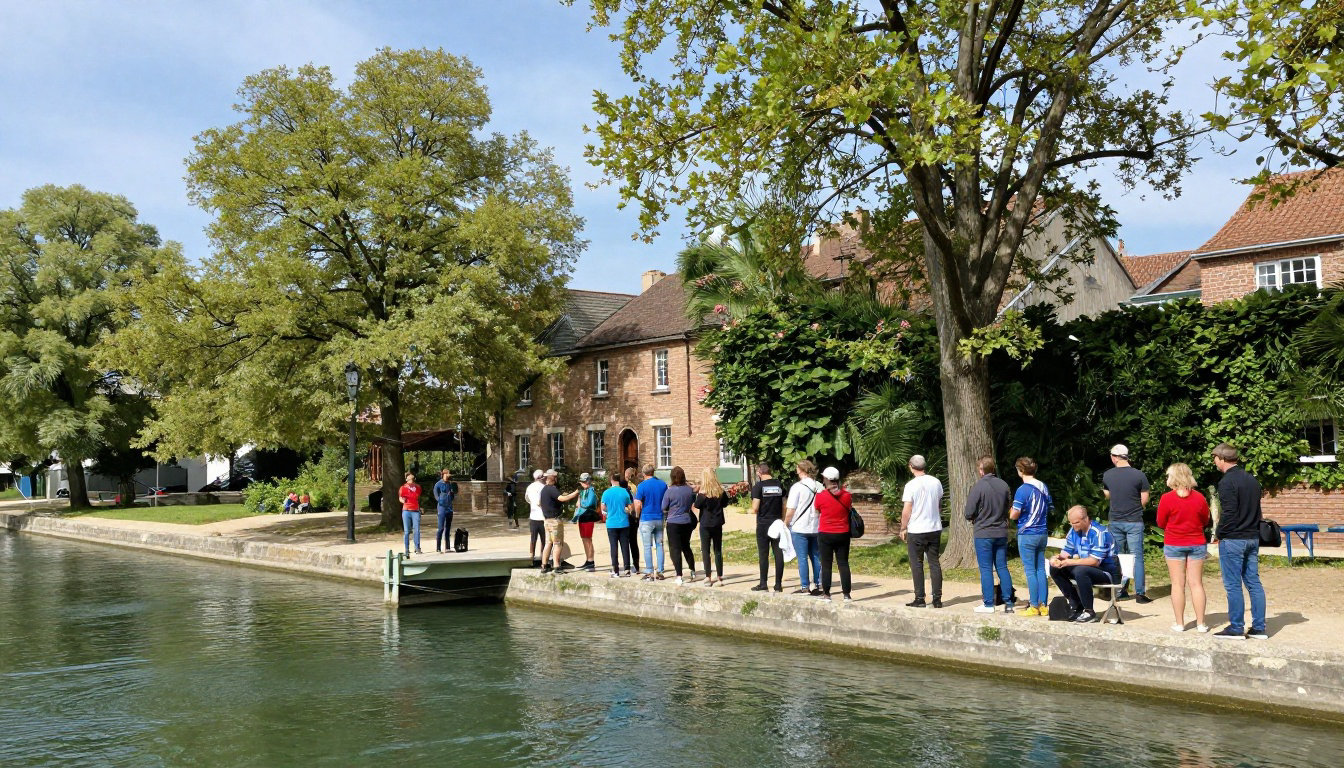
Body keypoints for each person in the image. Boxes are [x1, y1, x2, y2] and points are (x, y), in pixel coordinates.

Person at [1212, 443, 1268, 640]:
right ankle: (1259, 627)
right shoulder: (1252, 480)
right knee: (1253, 581)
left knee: (1233, 584)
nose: (1214, 462)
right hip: (1252, 536)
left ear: (1221, 458)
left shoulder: (1227, 482)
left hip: (1234, 538)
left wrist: (1219, 533)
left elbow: (1229, 513)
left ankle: (1236, 627)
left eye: (1215, 458)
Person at [1157, 462, 1211, 633]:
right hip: (1196, 542)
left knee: (1177, 584)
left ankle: (1180, 623)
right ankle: (1201, 624)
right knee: (1196, 584)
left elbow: (1160, 522)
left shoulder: (1167, 498)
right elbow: (1205, 520)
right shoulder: (1200, 497)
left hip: (1174, 543)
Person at [1048, 505, 1121, 623]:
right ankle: (1076, 606)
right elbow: (1067, 552)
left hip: (1106, 572)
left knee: (1080, 571)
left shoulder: (1100, 532)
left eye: (1076, 523)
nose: (1072, 526)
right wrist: (1057, 559)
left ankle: (1089, 611)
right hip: (1086, 569)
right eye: (1071, 523)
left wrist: (1070, 561)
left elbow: (1094, 561)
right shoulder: (1074, 530)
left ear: (1086, 519)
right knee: (1056, 569)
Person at [1102, 444, 1152, 603]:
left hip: (1115, 520)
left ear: (1114, 457)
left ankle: (1120, 591)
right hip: (1134, 521)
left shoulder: (1107, 475)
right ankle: (1140, 593)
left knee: (1118, 556)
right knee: (1137, 557)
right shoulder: (1139, 475)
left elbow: (1107, 496)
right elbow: (1144, 500)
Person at [964, 456, 1014, 613]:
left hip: (984, 532)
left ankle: (988, 604)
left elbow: (968, 512)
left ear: (981, 470)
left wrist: (975, 516)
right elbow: (1009, 506)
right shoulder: (1004, 485)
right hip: (1001, 532)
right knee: (1002, 567)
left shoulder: (978, 487)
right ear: (993, 469)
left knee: (986, 569)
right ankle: (1009, 602)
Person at [899, 454, 944, 608]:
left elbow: (907, 509)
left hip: (917, 529)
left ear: (911, 466)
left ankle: (920, 598)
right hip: (934, 527)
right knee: (934, 563)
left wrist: (903, 527)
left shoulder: (911, 485)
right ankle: (937, 598)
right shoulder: (936, 482)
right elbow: (939, 504)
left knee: (917, 563)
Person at [1010, 457, 1053, 616]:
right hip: (1042, 533)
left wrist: (1011, 513)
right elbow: (1050, 506)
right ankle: (1044, 605)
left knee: (1030, 570)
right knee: (1040, 569)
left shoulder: (1022, 489)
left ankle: (1034, 605)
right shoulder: (1043, 486)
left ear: (1020, 471)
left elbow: (1015, 514)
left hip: (1027, 533)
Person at [814, 466, 853, 602]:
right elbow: (847, 508)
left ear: (825, 479)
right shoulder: (847, 496)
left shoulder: (820, 496)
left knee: (826, 564)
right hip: (843, 532)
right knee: (843, 563)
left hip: (825, 532)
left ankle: (826, 594)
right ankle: (846, 594)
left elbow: (817, 510)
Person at [785, 460, 823, 596]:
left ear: (801, 470)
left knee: (802, 558)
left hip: (800, 527)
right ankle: (818, 584)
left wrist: (786, 523)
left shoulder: (797, 487)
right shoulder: (819, 486)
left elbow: (791, 510)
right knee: (816, 556)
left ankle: (805, 586)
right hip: (816, 526)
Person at [749, 463, 786, 592]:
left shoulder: (758, 487)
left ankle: (763, 583)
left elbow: (755, 508)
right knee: (778, 553)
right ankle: (778, 584)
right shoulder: (779, 485)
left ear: (759, 473)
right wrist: (782, 519)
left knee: (763, 554)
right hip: (777, 522)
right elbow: (784, 504)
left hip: (763, 524)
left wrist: (752, 510)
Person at [662, 466, 698, 584]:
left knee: (675, 549)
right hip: (687, 521)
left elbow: (664, 507)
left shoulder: (669, 491)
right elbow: (693, 501)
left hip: (673, 522)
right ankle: (692, 570)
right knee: (686, 546)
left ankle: (679, 575)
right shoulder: (689, 490)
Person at [695, 468, 729, 586]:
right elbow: (725, 503)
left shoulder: (703, 493)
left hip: (705, 523)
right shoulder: (720, 491)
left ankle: (708, 576)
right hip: (717, 523)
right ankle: (719, 577)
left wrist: (700, 494)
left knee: (705, 550)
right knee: (717, 550)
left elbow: (697, 505)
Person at [634, 464, 668, 580]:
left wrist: (637, 515)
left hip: (646, 517)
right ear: (653, 472)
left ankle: (649, 570)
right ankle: (660, 570)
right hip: (659, 516)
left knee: (647, 546)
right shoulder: (663, 484)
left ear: (644, 473)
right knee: (659, 545)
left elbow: (637, 503)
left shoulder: (642, 486)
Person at [562, 473, 600, 572]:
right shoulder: (583, 491)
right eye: (581, 482)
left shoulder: (591, 491)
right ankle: (588, 560)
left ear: (587, 482)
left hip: (588, 516)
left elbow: (589, 503)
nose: (581, 484)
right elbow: (578, 503)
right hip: (582, 516)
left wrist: (580, 503)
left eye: (583, 482)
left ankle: (591, 561)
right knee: (584, 539)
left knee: (588, 539)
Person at [602, 474, 635, 577]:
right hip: (624, 522)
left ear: (611, 480)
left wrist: (609, 510)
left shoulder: (606, 492)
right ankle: (627, 569)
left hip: (611, 523)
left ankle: (615, 570)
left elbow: (603, 508)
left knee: (613, 546)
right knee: (625, 546)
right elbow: (630, 507)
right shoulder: (624, 492)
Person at [538, 469, 571, 574]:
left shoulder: (543, 490)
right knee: (558, 543)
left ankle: (544, 565)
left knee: (548, 543)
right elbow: (561, 498)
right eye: (555, 477)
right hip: (555, 521)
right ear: (552, 478)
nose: (557, 479)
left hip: (546, 521)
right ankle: (556, 566)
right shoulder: (552, 489)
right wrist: (574, 494)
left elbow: (539, 503)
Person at [433, 469, 458, 554]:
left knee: (448, 528)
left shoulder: (450, 484)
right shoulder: (438, 484)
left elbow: (453, 495)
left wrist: (451, 495)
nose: (449, 475)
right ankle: (438, 547)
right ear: (444, 474)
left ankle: (447, 547)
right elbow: (436, 495)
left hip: (449, 507)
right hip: (442, 507)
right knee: (441, 528)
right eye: (448, 474)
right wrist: (441, 501)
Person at [398, 472, 422, 557]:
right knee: (407, 531)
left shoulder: (418, 487)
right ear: (407, 479)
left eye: (413, 478)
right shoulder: (403, 488)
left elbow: (418, 497)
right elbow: (400, 497)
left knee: (417, 530)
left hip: (415, 510)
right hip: (406, 511)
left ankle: (417, 547)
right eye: (410, 478)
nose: (412, 479)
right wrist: (402, 500)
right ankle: (407, 549)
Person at [525, 469, 546, 567]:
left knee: (533, 539)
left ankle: (531, 557)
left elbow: (527, 499)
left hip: (533, 516)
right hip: (543, 517)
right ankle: (543, 558)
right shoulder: (544, 487)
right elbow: (542, 502)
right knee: (544, 539)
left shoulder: (529, 487)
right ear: (541, 477)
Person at [624, 466, 641, 573]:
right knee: (633, 542)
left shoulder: (631, 487)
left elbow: (633, 503)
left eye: (626, 473)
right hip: (632, 516)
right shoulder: (634, 486)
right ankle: (634, 565)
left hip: (629, 515)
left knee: (629, 542)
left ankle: (630, 565)